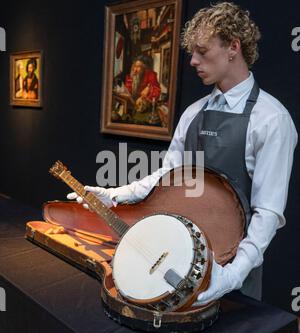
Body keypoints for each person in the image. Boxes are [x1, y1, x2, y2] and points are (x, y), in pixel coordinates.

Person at [68, 2, 297, 305]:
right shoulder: (193, 113)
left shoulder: (272, 119)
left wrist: (232, 275)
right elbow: (168, 177)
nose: (193, 61)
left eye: (203, 51)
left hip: (235, 272)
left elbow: (267, 213)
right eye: (193, 52)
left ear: (233, 47)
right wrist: (116, 195)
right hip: (176, 257)